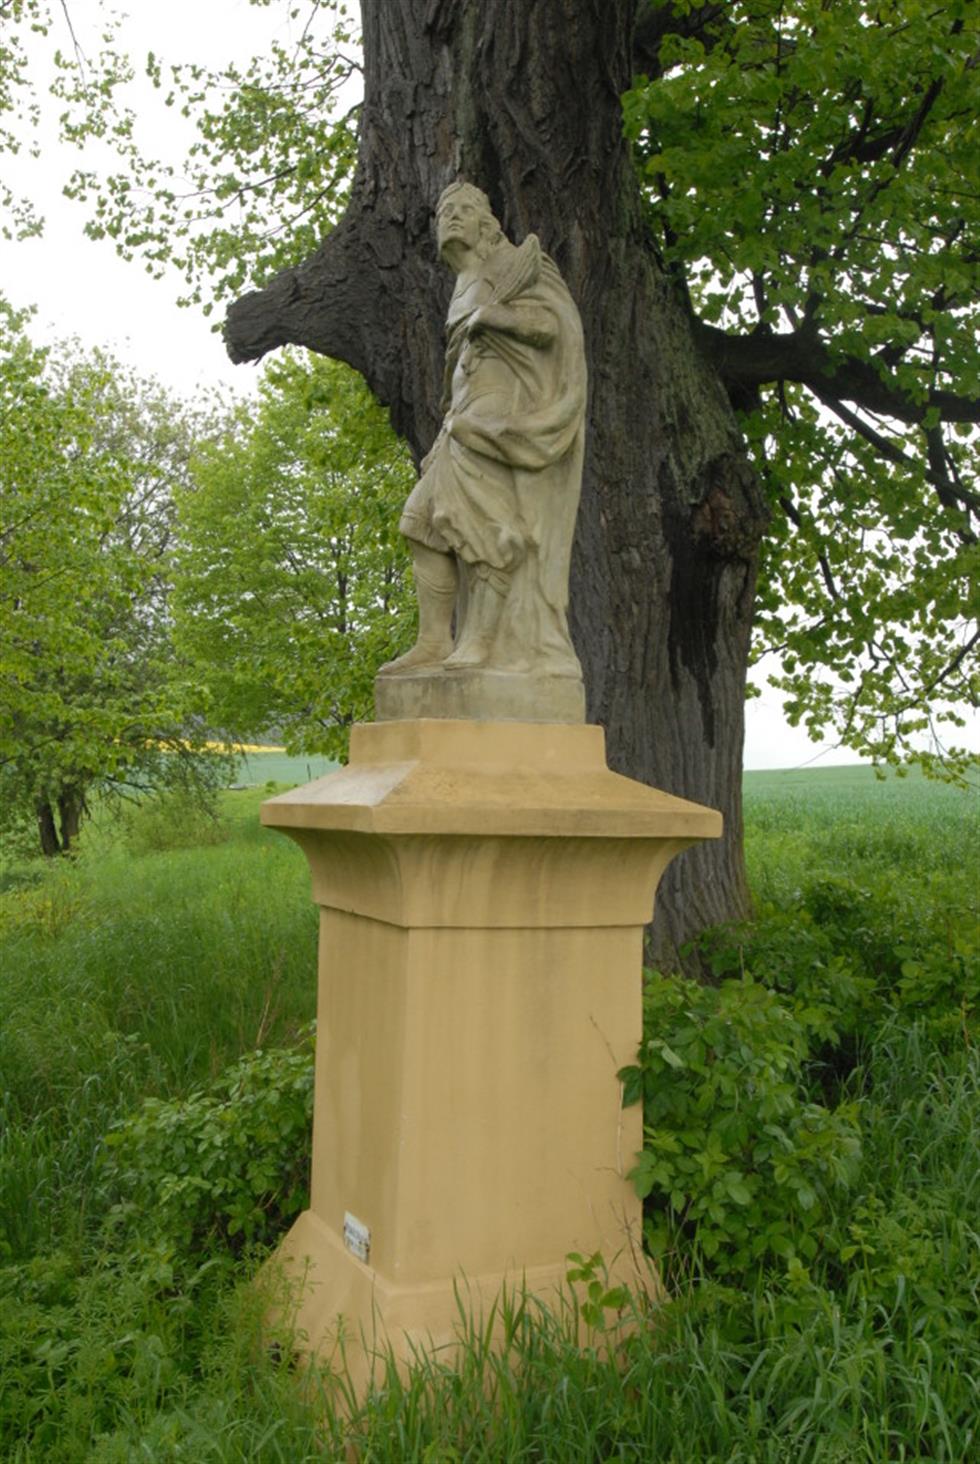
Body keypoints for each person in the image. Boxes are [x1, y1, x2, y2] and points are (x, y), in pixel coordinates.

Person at [378, 181, 587, 681]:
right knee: (421, 522)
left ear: (486, 223)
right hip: (462, 416)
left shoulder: (516, 265)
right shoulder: (465, 280)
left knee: (484, 527)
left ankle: (482, 642)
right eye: (444, 212)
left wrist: (494, 316)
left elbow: (553, 327)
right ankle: (434, 640)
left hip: (495, 418)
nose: (450, 217)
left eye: (463, 209)